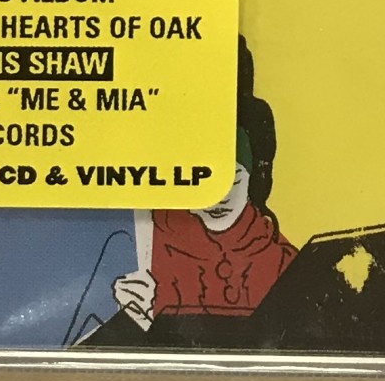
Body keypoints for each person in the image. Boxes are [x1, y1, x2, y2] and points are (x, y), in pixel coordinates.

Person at [111, 129, 297, 328]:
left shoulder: (282, 257)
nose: (220, 197)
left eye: (233, 179)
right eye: (205, 179)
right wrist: (140, 317)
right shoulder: (149, 240)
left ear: (253, 180)